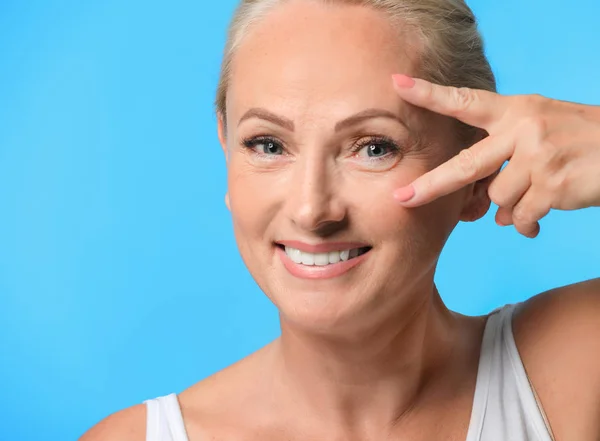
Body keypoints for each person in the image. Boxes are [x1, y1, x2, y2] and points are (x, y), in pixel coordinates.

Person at [81, 0, 600, 440]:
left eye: (375, 148)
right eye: (268, 145)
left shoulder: (578, 370)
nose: (311, 210)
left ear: (474, 172)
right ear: (225, 148)